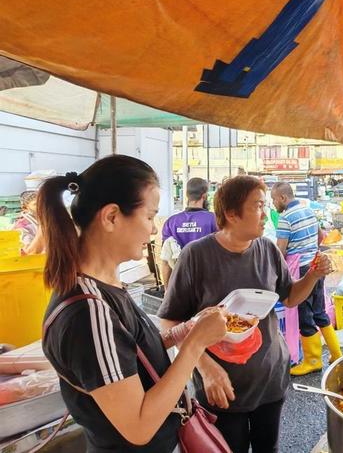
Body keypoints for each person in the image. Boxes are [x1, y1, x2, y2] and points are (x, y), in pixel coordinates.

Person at [38, 156, 228, 452]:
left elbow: (133, 352)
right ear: (112, 217)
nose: (153, 230)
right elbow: (138, 427)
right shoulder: (88, 312)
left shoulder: (105, 285)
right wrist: (195, 345)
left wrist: (188, 330)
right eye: (150, 216)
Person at [158, 176, 332, 453]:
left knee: (268, 447)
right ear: (231, 213)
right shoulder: (196, 256)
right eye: (259, 206)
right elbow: (170, 320)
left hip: (270, 378)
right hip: (222, 386)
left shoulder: (268, 250)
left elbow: (289, 297)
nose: (267, 214)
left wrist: (313, 274)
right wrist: (205, 367)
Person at [270, 181, 341, 376]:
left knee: (305, 315)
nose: (274, 204)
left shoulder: (285, 218)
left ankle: (313, 361)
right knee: (319, 311)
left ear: (283, 198)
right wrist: (309, 251)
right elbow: (320, 236)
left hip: (300, 270)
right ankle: (336, 353)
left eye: (274, 199)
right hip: (316, 265)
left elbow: (280, 251)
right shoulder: (308, 211)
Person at [160, 177, 217, 284]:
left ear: (187, 195)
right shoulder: (214, 220)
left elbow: (166, 261)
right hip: (208, 284)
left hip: (180, 284)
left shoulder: (171, 222)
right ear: (204, 196)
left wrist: (167, 290)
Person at [13, 190, 44, 254]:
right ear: (25, 208)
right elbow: (30, 252)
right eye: (36, 204)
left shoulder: (52, 220)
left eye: (43, 203)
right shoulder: (21, 227)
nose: (42, 207)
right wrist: (43, 227)